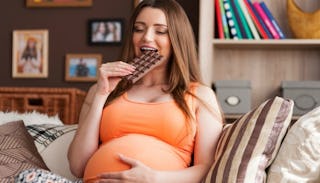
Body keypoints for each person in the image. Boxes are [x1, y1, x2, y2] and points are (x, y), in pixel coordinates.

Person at [68, 0, 223, 182]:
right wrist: (101, 95)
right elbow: (77, 166)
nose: (147, 37)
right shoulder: (102, 90)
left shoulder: (200, 95)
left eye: (160, 31)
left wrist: (155, 178)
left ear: (178, 39)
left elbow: (208, 169)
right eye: (139, 29)